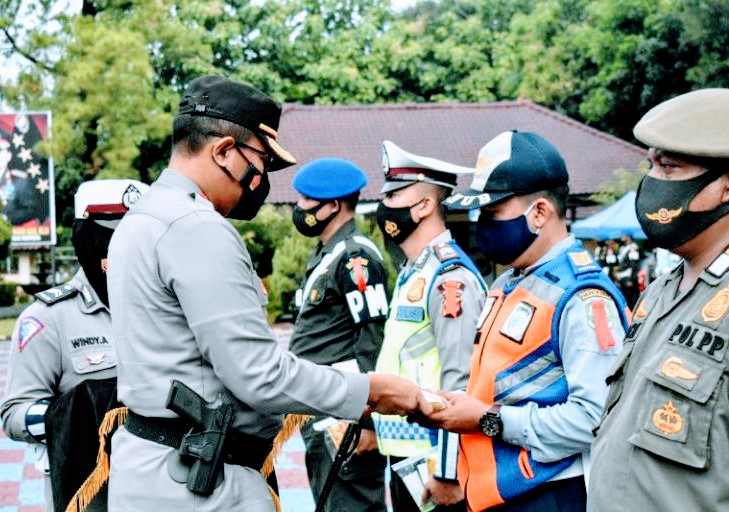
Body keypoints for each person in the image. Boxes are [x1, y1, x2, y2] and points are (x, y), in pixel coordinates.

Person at [105, 75, 432, 512]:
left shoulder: (141, 218)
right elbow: (257, 374)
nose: (259, 182)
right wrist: (369, 390)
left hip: (152, 469)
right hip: (200, 481)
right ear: (223, 151)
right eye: (258, 164)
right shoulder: (197, 226)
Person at [423, 130, 630, 512]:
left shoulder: (582, 297)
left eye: (492, 213)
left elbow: (593, 418)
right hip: (500, 489)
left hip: (550, 492)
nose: (481, 224)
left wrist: (488, 420)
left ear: (539, 212)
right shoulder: (510, 280)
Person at [588, 89, 729, 511]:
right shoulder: (662, 290)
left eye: (669, 168)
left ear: (726, 187)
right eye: (650, 165)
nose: (652, 184)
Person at [0, 178, 149, 512]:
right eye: (113, 234)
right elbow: (14, 415)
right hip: (90, 492)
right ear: (87, 236)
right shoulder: (48, 318)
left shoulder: (164, 309)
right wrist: (77, 416)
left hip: (160, 485)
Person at [372, 141, 487, 511]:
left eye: (395, 194)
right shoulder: (415, 272)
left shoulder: (448, 278)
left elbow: (461, 382)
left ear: (424, 206)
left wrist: (449, 471)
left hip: (435, 464)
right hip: (408, 459)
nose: (384, 206)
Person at [289, 157, 389, 511]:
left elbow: (372, 341)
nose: (298, 208)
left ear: (332, 206)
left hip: (345, 416)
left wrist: (367, 421)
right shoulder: (327, 254)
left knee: (351, 504)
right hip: (322, 410)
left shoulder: (355, 258)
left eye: (305, 201)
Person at [615, 233, 641, 307]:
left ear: (628, 236)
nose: (621, 236)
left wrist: (631, 278)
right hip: (622, 276)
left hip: (629, 276)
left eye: (624, 234)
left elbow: (634, 263)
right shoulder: (623, 247)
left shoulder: (633, 247)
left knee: (633, 299)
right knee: (626, 299)